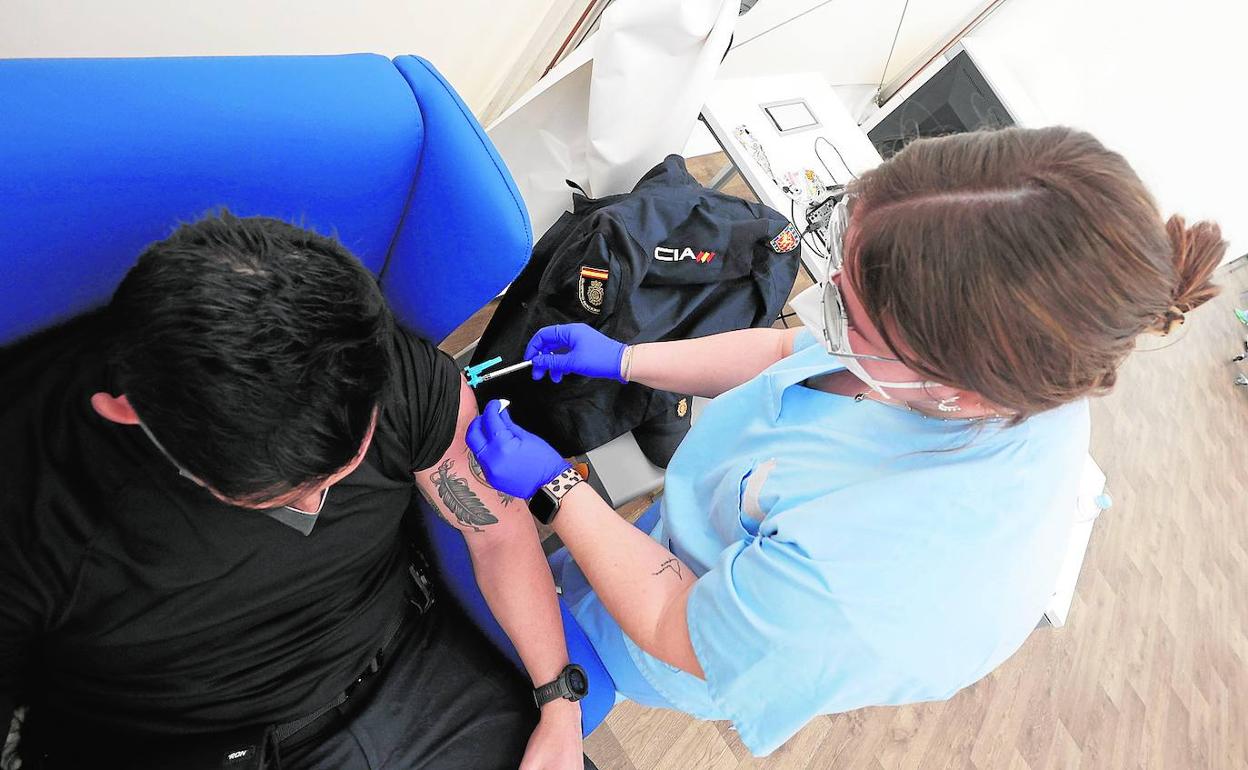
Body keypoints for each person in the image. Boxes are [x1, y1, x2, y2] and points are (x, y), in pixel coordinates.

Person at [465, 126, 1226, 756]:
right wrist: (627, 360)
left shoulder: (877, 578)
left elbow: (676, 623)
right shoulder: (981, 351)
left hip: (676, 631)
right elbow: (784, 357)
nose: (819, 311)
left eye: (851, 319)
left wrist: (556, 489)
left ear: (957, 391)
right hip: (681, 551)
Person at [0, 213, 585, 769]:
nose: (314, 509)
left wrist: (560, 701)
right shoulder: (30, 505)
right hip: (186, 744)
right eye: (280, 494)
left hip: (415, 674)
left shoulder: (366, 360)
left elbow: (495, 534)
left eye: (341, 470)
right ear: (128, 413)